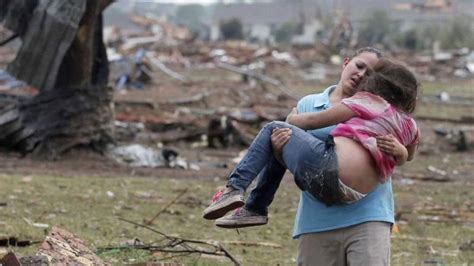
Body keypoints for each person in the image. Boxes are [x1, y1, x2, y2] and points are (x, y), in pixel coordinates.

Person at [204, 48, 411, 265]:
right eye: (359, 66)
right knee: (276, 133)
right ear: (346, 63)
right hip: (318, 220)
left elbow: (406, 151)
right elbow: (295, 158)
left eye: (369, 74)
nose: (361, 75)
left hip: (368, 216)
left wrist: (401, 151)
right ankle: (250, 205)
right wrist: (277, 148)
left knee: (275, 128)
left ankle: (243, 198)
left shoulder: (384, 109)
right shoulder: (309, 105)